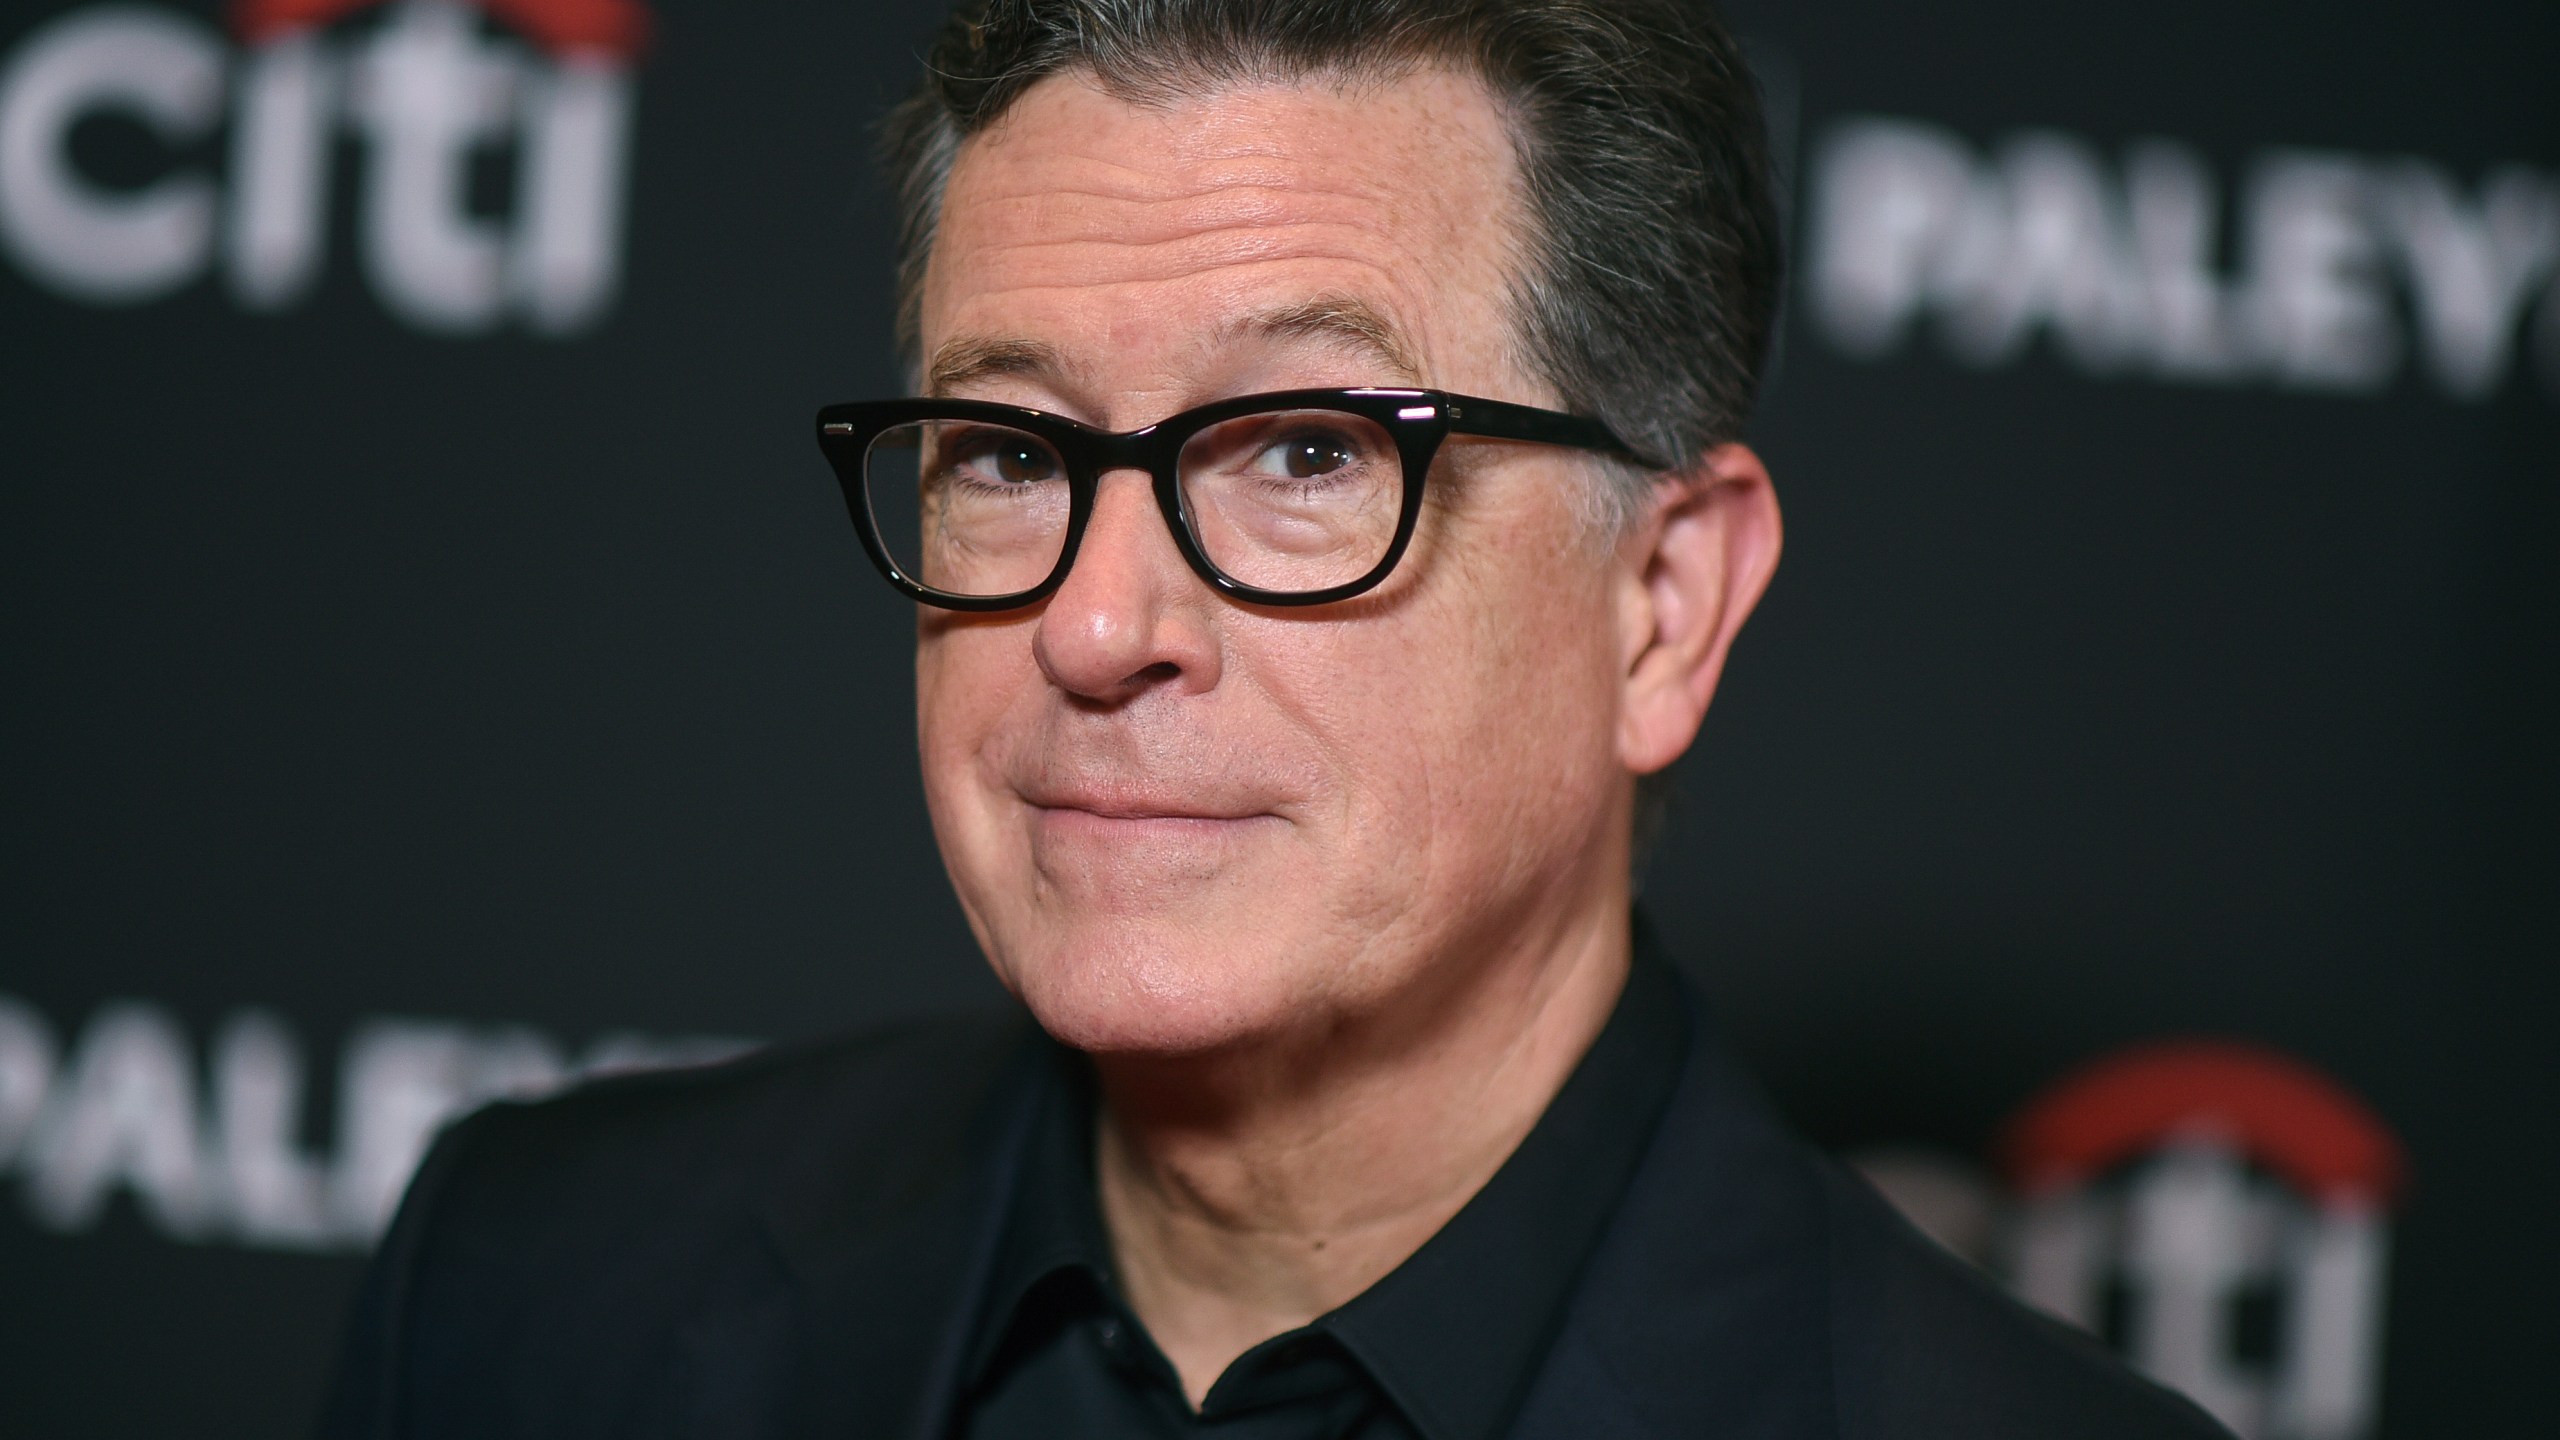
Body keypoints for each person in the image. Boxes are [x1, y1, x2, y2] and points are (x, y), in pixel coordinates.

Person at [319, 2, 2229, 1436]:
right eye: (1004, 449)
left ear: (1666, 606)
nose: (1093, 622)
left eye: (1307, 450)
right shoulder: (532, 1292)